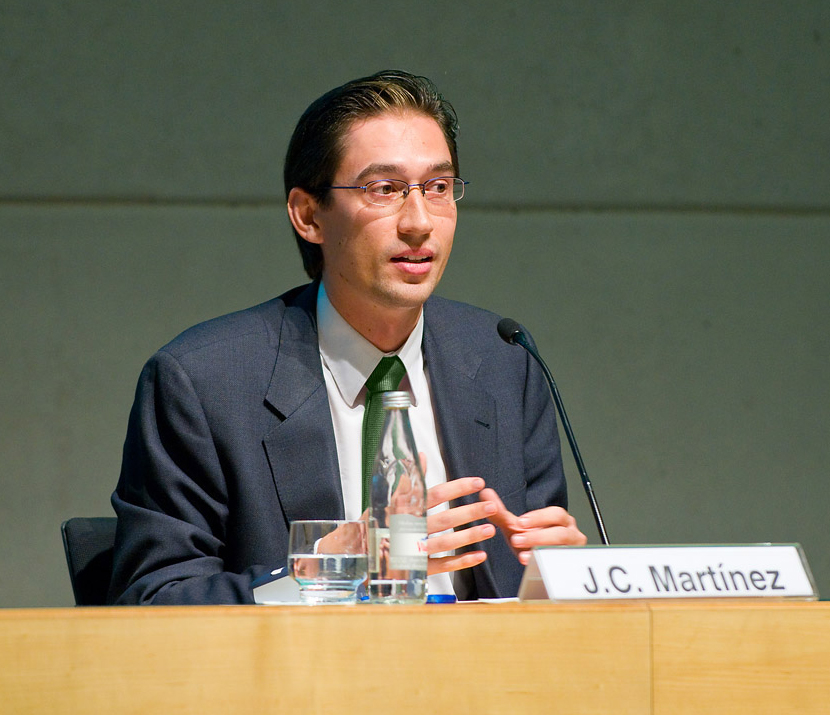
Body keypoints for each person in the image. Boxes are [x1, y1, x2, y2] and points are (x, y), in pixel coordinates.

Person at [107, 70, 586, 605]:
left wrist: (554, 578)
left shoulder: (504, 361)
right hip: (298, 685)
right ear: (308, 215)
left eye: (439, 187)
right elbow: (154, 600)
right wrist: (334, 570)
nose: (420, 221)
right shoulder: (203, 382)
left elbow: (524, 589)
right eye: (384, 189)